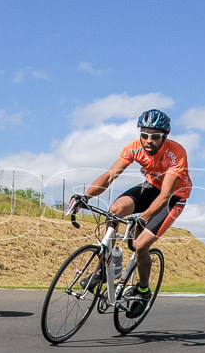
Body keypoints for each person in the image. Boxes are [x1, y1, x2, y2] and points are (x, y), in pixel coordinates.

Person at [72, 109, 192, 308]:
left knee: (140, 246)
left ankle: (143, 290)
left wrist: (143, 217)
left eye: (155, 136)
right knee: (114, 210)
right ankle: (104, 268)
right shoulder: (134, 148)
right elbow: (110, 176)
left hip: (173, 197)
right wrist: (86, 196)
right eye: (144, 135)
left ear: (165, 137)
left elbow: (165, 195)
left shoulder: (175, 153)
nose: (148, 140)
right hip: (151, 186)